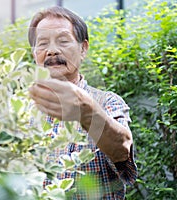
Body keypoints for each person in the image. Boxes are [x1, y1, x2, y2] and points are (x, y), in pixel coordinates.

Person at [28, 6, 137, 199]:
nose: (52, 51)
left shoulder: (107, 102)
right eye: (43, 43)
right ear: (34, 53)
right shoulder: (20, 112)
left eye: (63, 41)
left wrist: (88, 112)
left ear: (83, 49)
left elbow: (122, 151)